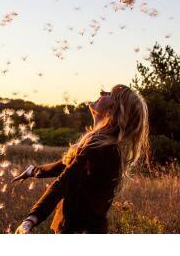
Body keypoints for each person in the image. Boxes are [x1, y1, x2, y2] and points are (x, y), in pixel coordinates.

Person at [12, 84, 150, 234]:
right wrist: (33, 171)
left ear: (113, 111)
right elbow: (64, 166)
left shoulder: (101, 147)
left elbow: (65, 180)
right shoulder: (100, 142)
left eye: (109, 94)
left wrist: (32, 218)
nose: (101, 92)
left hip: (81, 229)